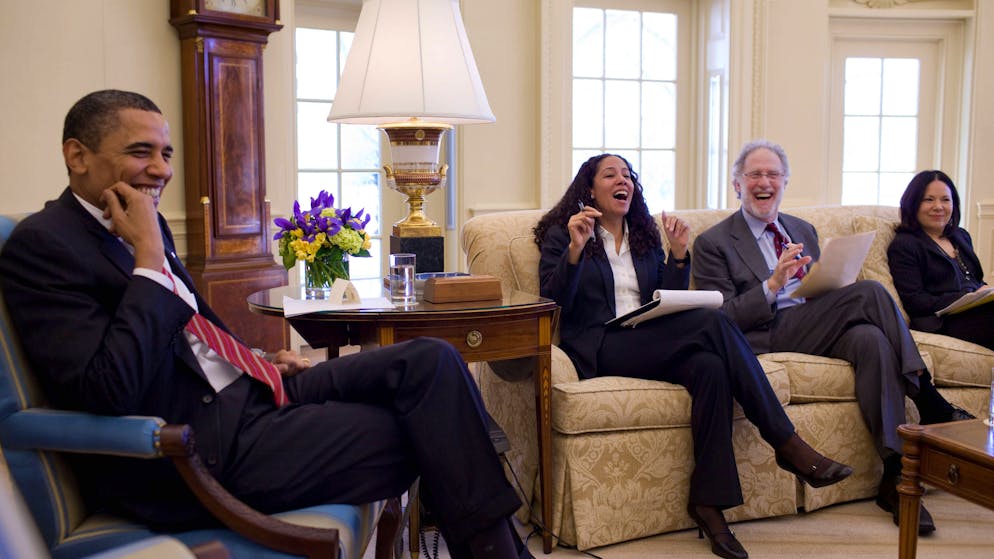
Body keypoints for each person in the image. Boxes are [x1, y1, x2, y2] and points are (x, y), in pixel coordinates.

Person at [0, 89, 531, 559]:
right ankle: (497, 552)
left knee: (432, 357)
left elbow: (192, 326)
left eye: (166, 154)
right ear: (77, 156)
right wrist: (147, 260)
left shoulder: (145, 222)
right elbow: (105, 389)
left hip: (250, 390)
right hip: (195, 447)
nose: (161, 169)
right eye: (141, 152)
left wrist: (255, 359)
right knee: (431, 429)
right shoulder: (45, 246)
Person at [535, 153, 852, 559]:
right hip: (599, 345)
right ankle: (786, 441)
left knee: (711, 368)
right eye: (611, 175)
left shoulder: (643, 234)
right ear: (589, 188)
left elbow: (666, 299)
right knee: (713, 323)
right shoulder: (567, 234)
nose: (624, 181)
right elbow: (553, 300)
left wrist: (679, 255)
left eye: (628, 175)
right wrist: (576, 251)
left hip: (645, 337)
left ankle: (709, 506)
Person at [691, 139, 975, 537]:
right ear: (736, 184)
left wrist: (824, 282)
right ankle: (927, 398)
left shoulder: (801, 228)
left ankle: (893, 475)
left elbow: (818, 292)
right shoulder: (714, 242)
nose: (764, 182)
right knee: (873, 292)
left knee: (873, 340)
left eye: (773, 174)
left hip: (815, 321)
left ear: (785, 182)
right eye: (754, 174)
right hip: (767, 333)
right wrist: (773, 284)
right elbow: (721, 318)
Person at [887, 170, 994, 349]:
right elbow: (914, 301)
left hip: (975, 312)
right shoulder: (905, 245)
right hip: (941, 322)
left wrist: (983, 291)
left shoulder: (961, 236)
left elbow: (973, 280)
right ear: (913, 204)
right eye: (929, 199)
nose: (938, 206)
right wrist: (966, 297)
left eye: (945, 199)